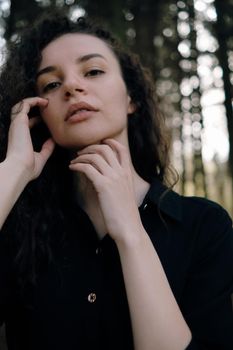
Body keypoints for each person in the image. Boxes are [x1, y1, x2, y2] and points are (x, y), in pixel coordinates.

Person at [0, 11, 232, 350]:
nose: (72, 86)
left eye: (93, 71)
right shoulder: (21, 230)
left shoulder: (205, 226)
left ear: (131, 99)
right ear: (39, 114)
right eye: (51, 83)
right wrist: (14, 167)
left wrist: (131, 234)